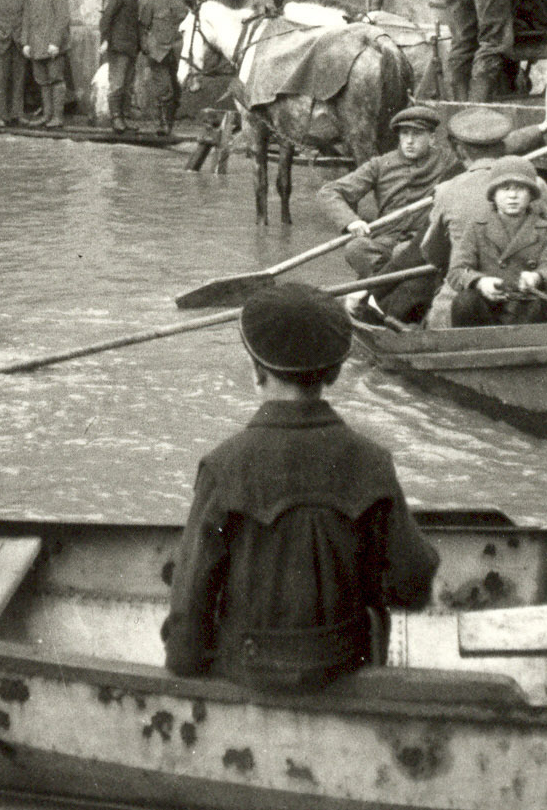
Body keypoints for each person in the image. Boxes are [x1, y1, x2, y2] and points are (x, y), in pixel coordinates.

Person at [161, 282, 439, 693]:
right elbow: (413, 581)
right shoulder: (372, 461)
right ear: (335, 372)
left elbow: (190, 604)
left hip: (248, 669)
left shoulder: (223, 465)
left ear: (256, 371)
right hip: (345, 664)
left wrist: (184, 664)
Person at [316, 105, 461, 325]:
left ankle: (374, 298)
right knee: (356, 248)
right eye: (404, 133)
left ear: (432, 138)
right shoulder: (380, 164)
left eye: (417, 134)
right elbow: (329, 191)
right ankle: (381, 298)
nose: (409, 141)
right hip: (385, 241)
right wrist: (351, 221)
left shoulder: (448, 162)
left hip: (420, 242)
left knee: (405, 253)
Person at [447, 156, 547, 327]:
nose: (512, 195)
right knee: (464, 302)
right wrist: (481, 282)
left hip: (530, 304)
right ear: (493, 194)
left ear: (531, 195)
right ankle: (472, 343)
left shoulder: (542, 228)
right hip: (489, 306)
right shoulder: (477, 227)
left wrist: (537, 277)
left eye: (520, 189)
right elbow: (457, 271)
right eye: (505, 189)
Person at [419, 107, 515, 285]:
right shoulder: (536, 184)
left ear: (461, 151)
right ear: (503, 147)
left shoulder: (446, 190)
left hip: (470, 285)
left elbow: (432, 253)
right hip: (527, 287)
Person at [19, 0, 73, 128]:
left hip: (52, 46)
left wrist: (55, 43)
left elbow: (62, 18)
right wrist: (25, 43)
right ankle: (47, 115)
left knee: (56, 80)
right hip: (36, 45)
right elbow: (26, 19)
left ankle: (57, 117)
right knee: (42, 81)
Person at [139, 0, 191, 136]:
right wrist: (146, 46)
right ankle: (163, 124)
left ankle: (170, 122)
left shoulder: (184, 2)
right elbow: (143, 26)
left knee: (176, 89)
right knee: (164, 89)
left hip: (177, 52)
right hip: (158, 52)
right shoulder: (152, 2)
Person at [99, 0, 148, 132]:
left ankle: (125, 118)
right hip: (118, 48)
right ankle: (116, 119)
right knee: (117, 84)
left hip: (131, 49)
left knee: (127, 86)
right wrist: (105, 40)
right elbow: (106, 19)